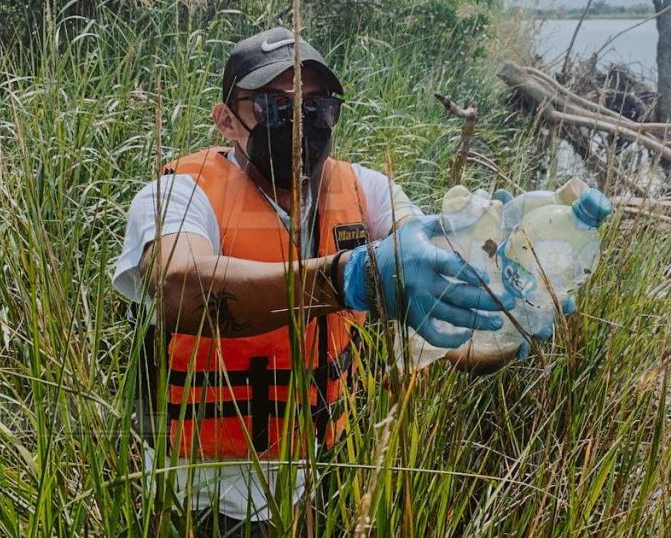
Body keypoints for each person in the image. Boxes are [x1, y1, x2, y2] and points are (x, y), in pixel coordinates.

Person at [112, 27, 521, 536]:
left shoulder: (363, 189)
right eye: (273, 104)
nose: (300, 119)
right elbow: (180, 288)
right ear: (226, 120)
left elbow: (432, 272)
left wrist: (507, 309)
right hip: (197, 492)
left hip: (315, 475)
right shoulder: (180, 192)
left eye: (317, 105)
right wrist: (352, 276)